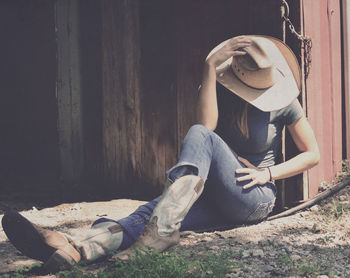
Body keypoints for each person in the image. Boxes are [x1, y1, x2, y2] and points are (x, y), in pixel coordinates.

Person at [2, 35, 320, 272]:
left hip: (254, 197)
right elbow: (207, 126)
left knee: (193, 147)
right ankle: (76, 248)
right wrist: (210, 68)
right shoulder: (219, 89)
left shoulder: (284, 102)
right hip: (214, 196)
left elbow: (312, 153)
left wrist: (267, 173)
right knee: (148, 216)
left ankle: (161, 233)